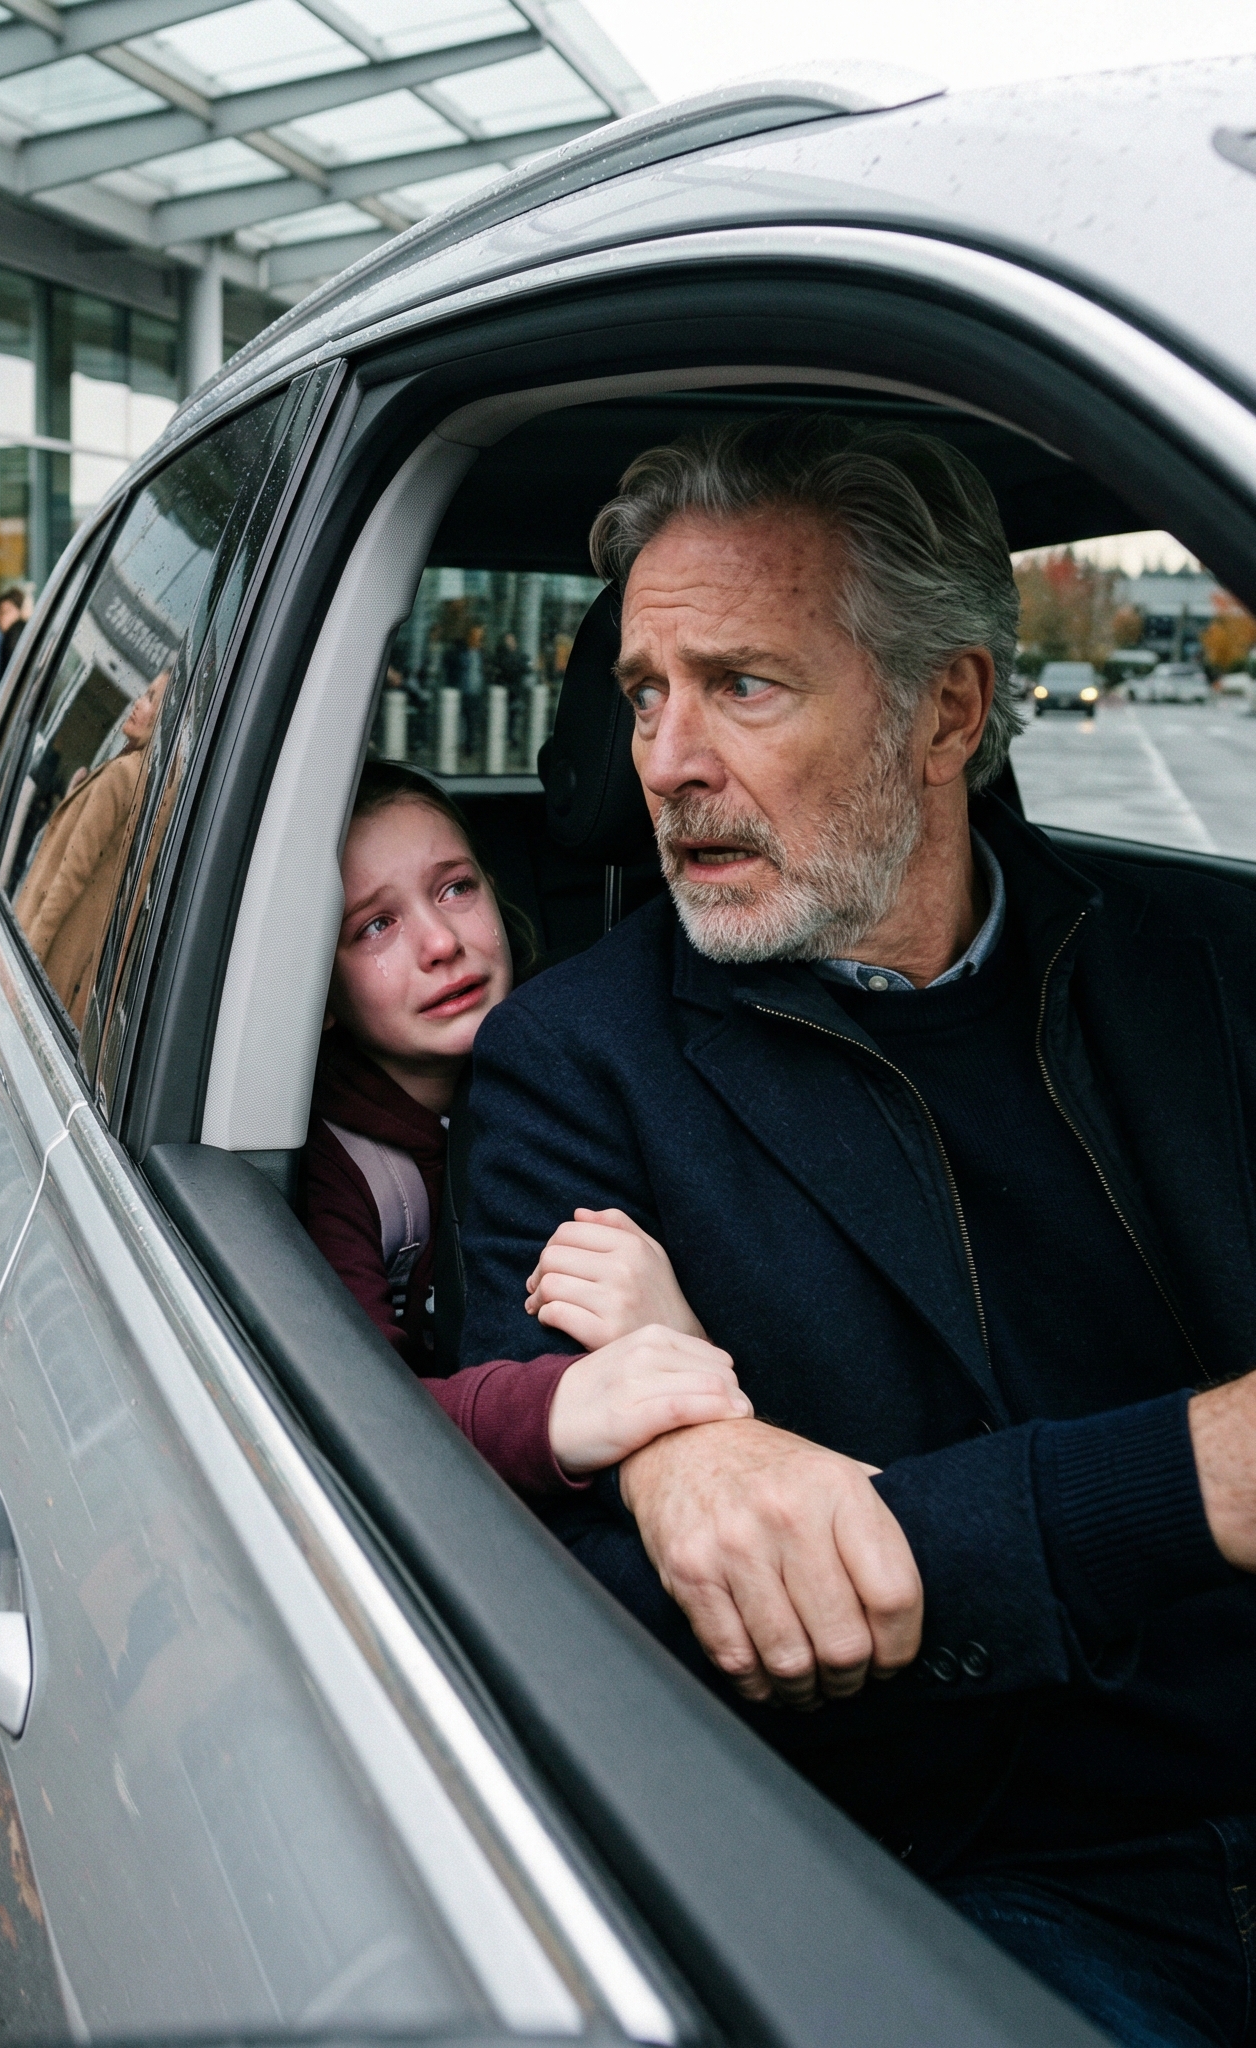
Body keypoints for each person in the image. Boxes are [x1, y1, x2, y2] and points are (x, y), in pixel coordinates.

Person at [459, 413, 1256, 2046]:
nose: (663, 761)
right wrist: (1197, 1478)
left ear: (943, 707)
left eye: (739, 683)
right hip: (989, 1871)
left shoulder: (1186, 964)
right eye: (639, 693)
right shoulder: (567, 1063)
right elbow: (580, 1604)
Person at [306, 759, 749, 1489]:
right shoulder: (336, 1167)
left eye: (456, 887)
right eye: (376, 926)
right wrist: (561, 1409)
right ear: (317, 984)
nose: (441, 943)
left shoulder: (589, 1065)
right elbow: (357, 1413)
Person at [13, 673, 162, 1023]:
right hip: (83, 979)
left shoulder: (122, 774)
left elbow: (69, 878)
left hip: (53, 963)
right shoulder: (153, 781)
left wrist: (27, 961)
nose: (139, 703)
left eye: (154, 699)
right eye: (145, 693)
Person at [0, 587, 28, 676]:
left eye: (7, 611)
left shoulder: (16, 634)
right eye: (0, 612)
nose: (2, 617)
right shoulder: (6, 635)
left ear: (19, 612)